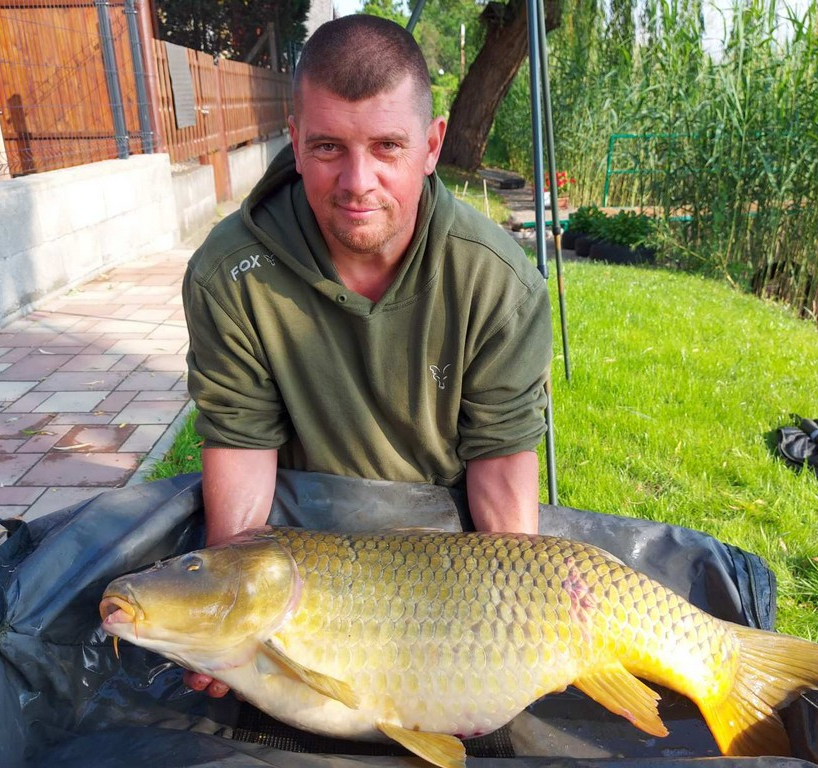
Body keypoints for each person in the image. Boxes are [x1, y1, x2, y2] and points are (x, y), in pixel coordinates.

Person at [180, 15, 553, 695]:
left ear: (431, 145)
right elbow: (240, 445)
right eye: (328, 147)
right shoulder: (229, 274)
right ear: (295, 143)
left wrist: (513, 623)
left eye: (387, 147)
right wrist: (232, 616)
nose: (358, 182)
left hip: (449, 553)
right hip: (306, 556)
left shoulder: (499, 281)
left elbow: (501, 467)